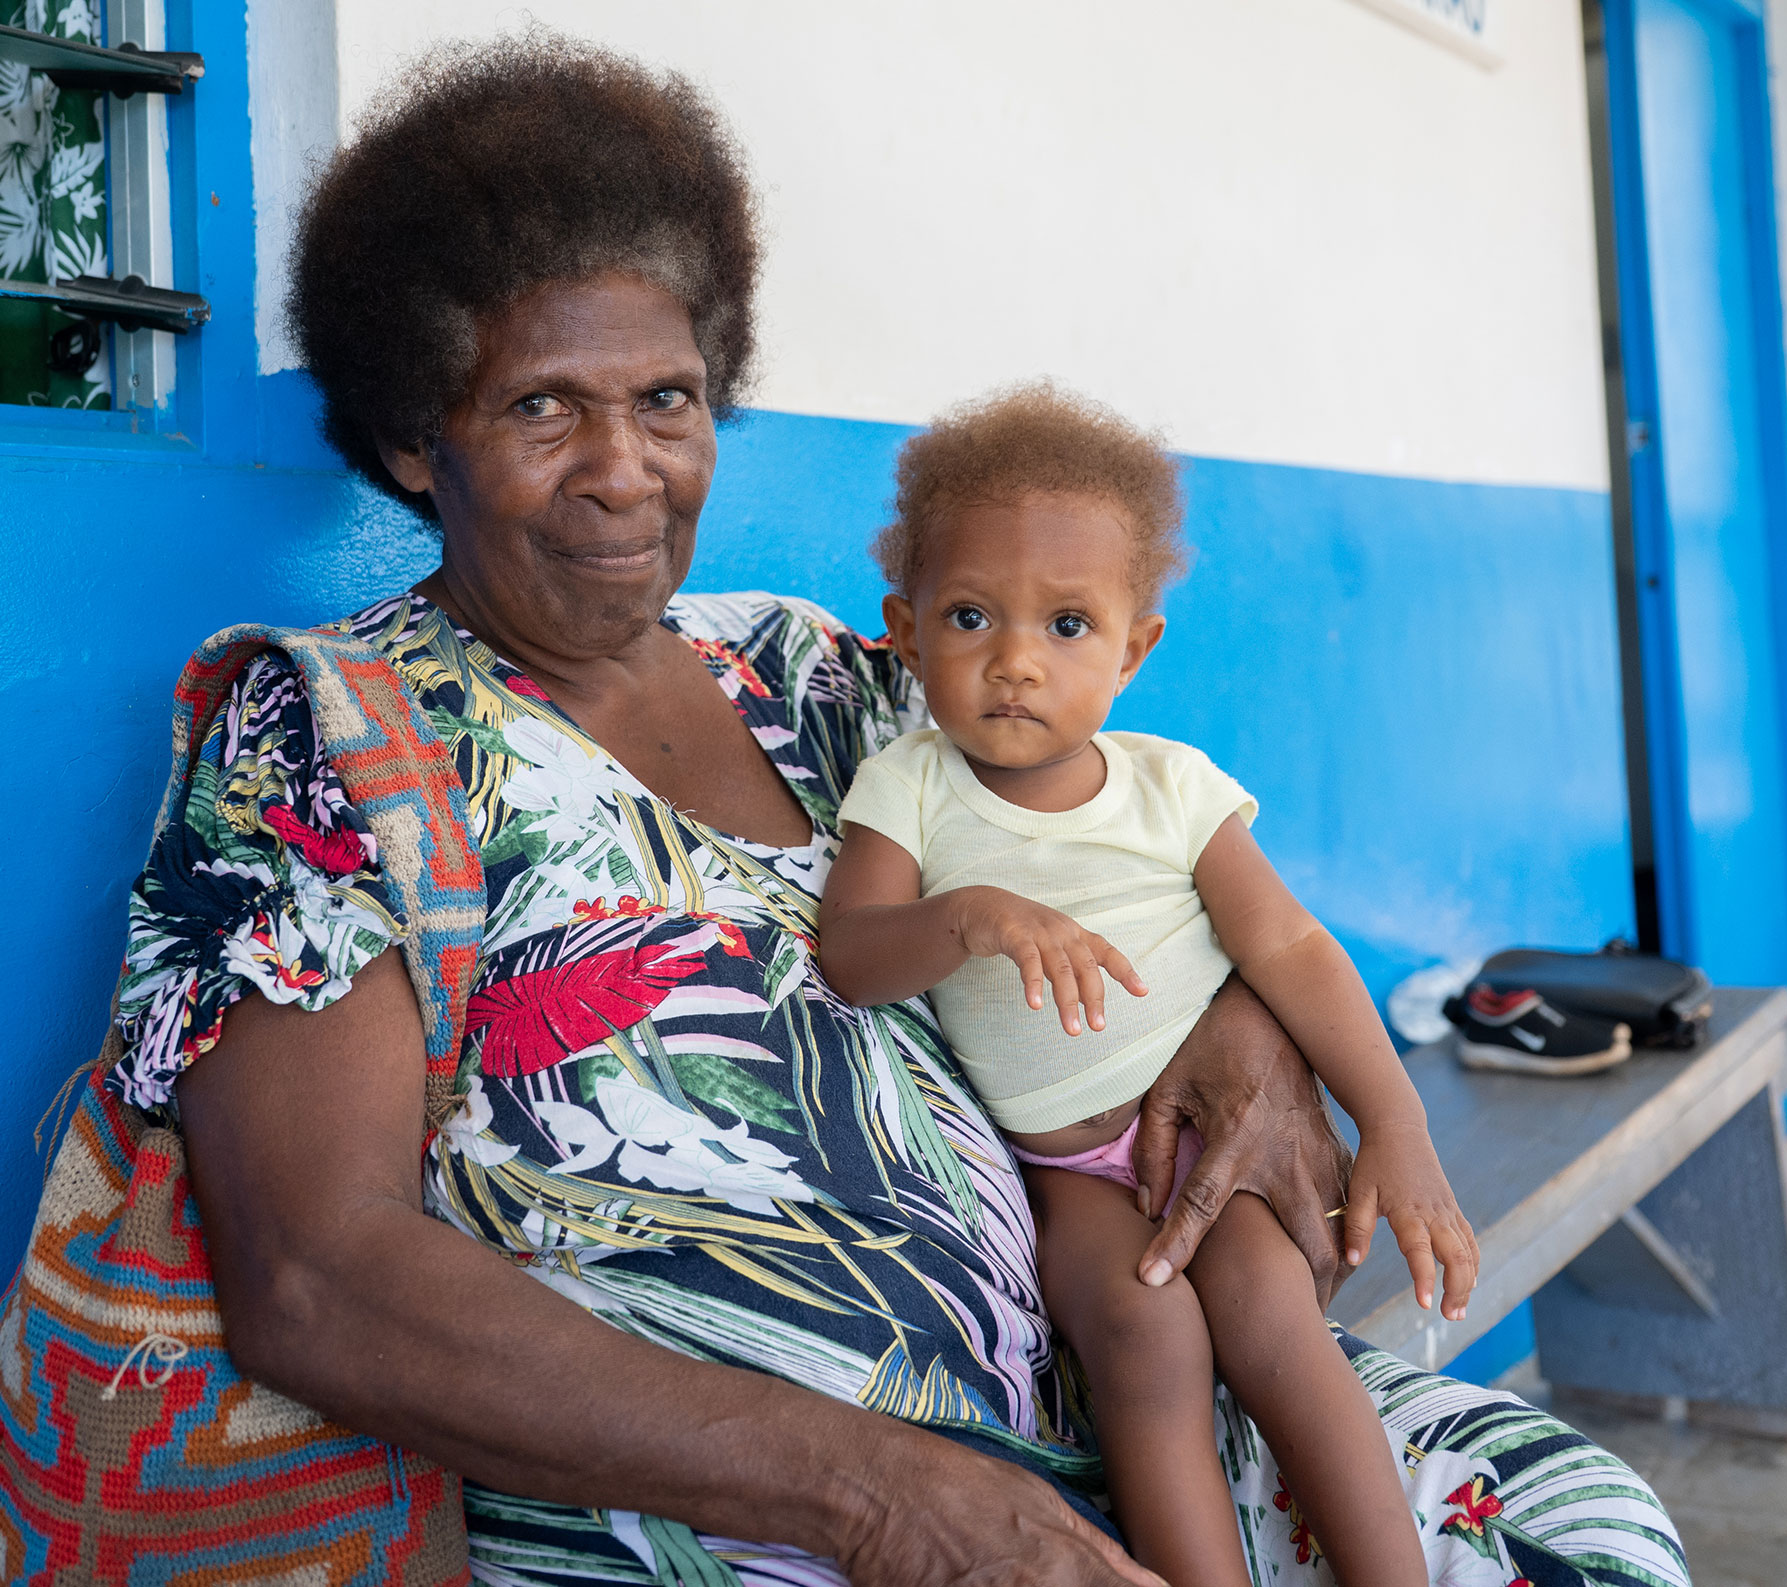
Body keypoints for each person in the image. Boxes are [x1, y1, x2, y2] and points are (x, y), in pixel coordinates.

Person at [114, 32, 1690, 1586]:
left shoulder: (810, 675)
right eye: (542, 409)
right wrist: (879, 1497)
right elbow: (318, 1276)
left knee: (1584, 1528)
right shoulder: (332, 740)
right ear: (414, 436)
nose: (622, 469)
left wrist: (1241, 1035)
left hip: (1097, 1401)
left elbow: (1122, 849)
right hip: (728, 1516)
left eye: (667, 399)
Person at [818, 385, 1480, 1586]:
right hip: (1066, 1177)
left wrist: (1393, 1119)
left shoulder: (1171, 789)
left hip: (1213, 1144)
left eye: (1066, 626)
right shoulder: (908, 787)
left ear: (1134, 647)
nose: (1014, 662)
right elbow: (848, 959)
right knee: (1140, 1343)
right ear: (904, 633)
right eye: (969, 616)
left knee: (1276, 1329)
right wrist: (964, 917)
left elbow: (1289, 950)